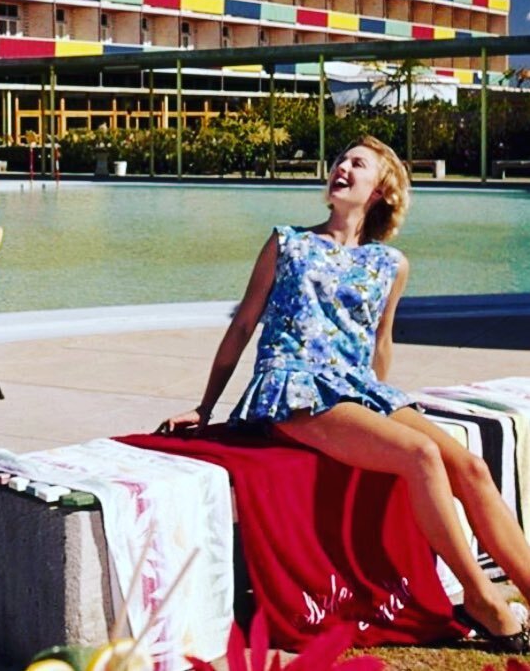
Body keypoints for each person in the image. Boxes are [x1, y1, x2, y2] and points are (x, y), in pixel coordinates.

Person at [162, 135, 530, 653]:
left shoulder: (389, 264)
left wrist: (387, 407)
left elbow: (381, 342)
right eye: (340, 161)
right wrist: (206, 405)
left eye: (358, 164)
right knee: (420, 455)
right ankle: (483, 599)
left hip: (357, 388)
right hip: (293, 388)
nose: (343, 168)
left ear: (379, 189)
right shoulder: (287, 243)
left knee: (470, 468)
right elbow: (243, 324)